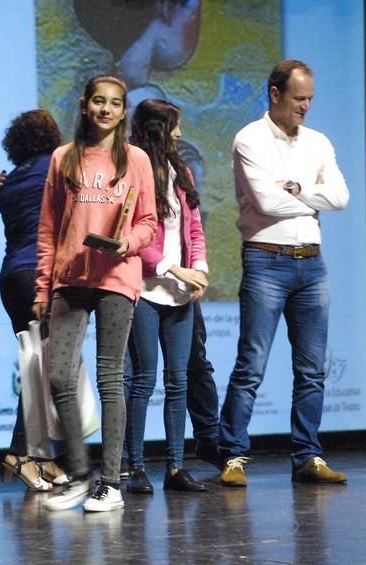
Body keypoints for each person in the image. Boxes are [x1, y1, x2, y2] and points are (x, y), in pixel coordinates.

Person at [217, 59, 350, 487]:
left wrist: (299, 190)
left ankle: (307, 455)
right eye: (298, 99)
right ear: (275, 95)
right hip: (266, 259)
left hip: (312, 261)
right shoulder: (250, 140)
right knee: (251, 365)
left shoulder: (318, 142)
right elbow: (267, 204)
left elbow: (342, 196)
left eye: (310, 99)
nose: (306, 107)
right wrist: (314, 198)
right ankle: (234, 455)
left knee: (312, 369)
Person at [34, 75, 157, 512]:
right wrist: (43, 287)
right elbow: (48, 230)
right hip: (70, 278)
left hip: (117, 278)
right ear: (85, 106)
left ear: (124, 112)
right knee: (60, 377)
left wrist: (131, 244)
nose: (106, 109)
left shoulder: (136, 160)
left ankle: (110, 483)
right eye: (98, 102)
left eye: (115, 104)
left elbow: (149, 222)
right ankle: (80, 474)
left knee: (110, 379)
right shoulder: (63, 158)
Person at [124, 99, 209, 494]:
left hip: (180, 295)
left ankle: (176, 467)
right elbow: (134, 238)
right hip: (144, 289)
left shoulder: (181, 170)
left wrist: (200, 270)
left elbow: (194, 228)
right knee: (143, 380)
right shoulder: (134, 169)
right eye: (174, 126)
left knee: (178, 382)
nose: (179, 133)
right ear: (158, 128)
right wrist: (173, 269)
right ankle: (135, 468)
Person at [0, 109, 68, 492]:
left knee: (43, 367)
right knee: (44, 370)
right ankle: (19, 453)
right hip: (40, 277)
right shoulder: (54, 168)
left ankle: (47, 457)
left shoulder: (8, 183)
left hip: (11, 278)